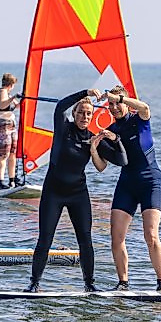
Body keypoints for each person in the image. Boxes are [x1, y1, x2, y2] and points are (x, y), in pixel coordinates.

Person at [25, 89, 126, 293]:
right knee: (45, 239)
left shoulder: (92, 139)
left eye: (88, 113)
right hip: (53, 192)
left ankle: (89, 285)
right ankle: (34, 284)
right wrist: (85, 92)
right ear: (74, 113)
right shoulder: (63, 129)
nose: (84, 117)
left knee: (85, 240)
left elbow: (122, 160)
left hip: (77, 194)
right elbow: (60, 105)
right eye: (81, 112)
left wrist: (115, 140)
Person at [98, 86, 161, 291]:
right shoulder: (111, 131)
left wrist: (119, 97)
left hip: (150, 181)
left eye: (117, 103)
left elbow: (144, 106)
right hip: (127, 183)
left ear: (126, 103)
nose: (114, 108)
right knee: (116, 236)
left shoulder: (140, 119)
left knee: (151, 235)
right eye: (110, 105)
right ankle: (123, 283)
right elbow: (102, 166)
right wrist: (95, 146)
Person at [0, 73, 21, 190]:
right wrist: (13, 98)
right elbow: (2, 105)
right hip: (1, 126)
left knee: (12, 154)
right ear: (11, 84)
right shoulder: (2, 92)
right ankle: (0, 182)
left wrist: (22, 99)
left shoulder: (8, 94)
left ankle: (12, 180)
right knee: (3, 155)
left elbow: (18, 107)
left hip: (11, 126)